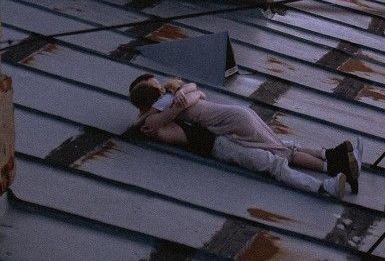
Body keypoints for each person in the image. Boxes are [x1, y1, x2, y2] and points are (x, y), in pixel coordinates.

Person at [128, 73, 362, 200]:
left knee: (279, 153)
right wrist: (181, 98)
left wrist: (182, 93)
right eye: (156, 90)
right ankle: (326, 182)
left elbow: (192, 91)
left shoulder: (168, 109)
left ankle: (333, 166)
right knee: (275, 159)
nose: (162, 91)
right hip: (220, 144)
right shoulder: (154, 123)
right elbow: (149, 122)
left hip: (223, 139)